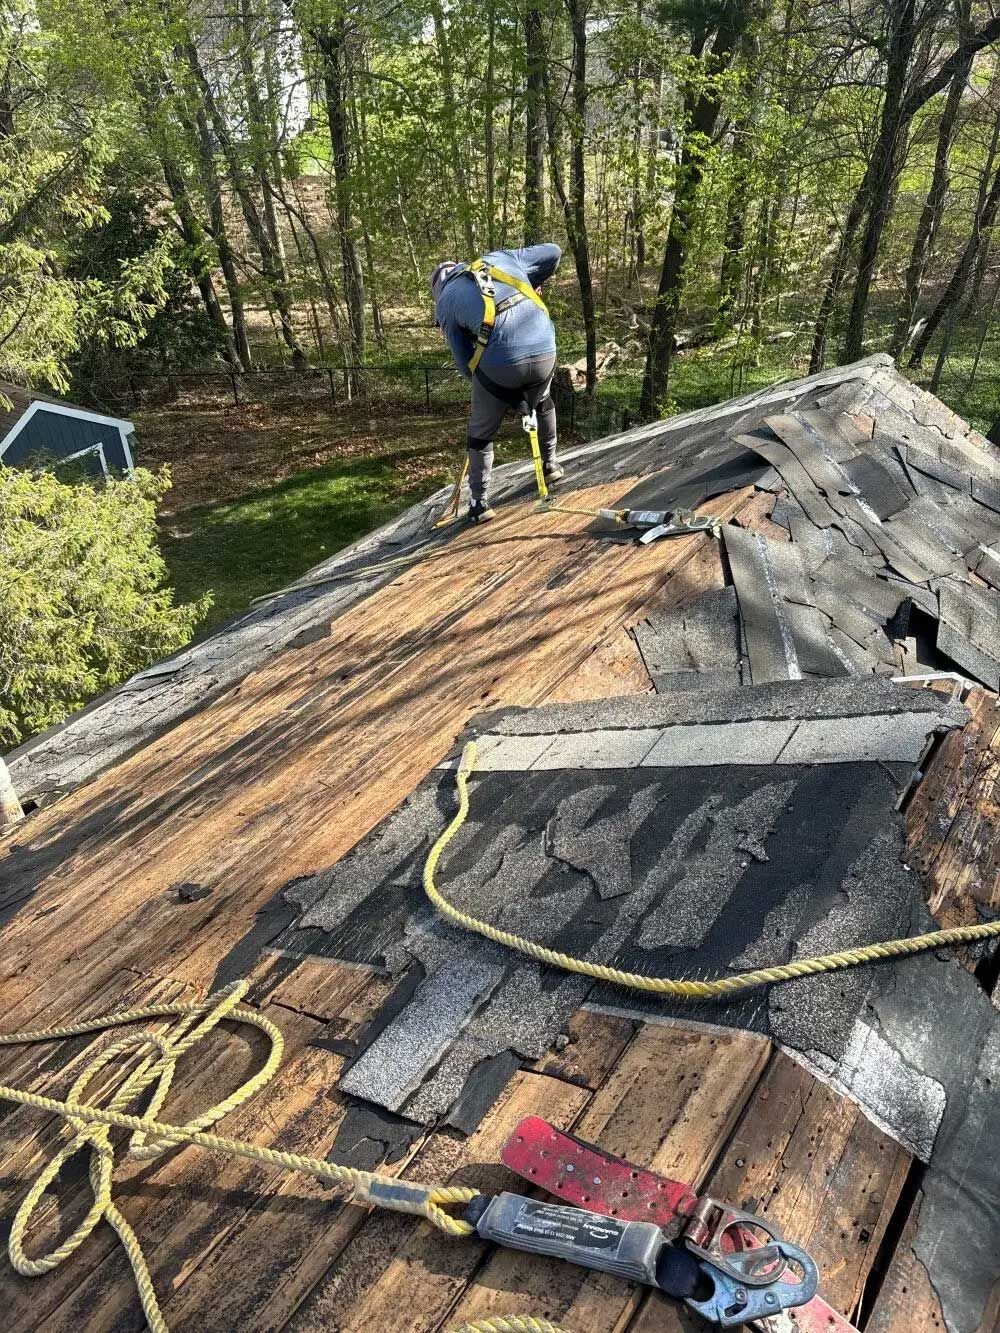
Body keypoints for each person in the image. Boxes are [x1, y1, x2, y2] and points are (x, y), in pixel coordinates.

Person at [431, 244, 565, 522]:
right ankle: (550, 464)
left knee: (480, 432)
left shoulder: (446, 300)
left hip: (501, 365)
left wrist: (495, 390)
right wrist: (532, 282)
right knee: (542, 401)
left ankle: (479, 503)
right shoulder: (501, 259)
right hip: (545, 349)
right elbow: (553, 251)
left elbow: (466, 364)